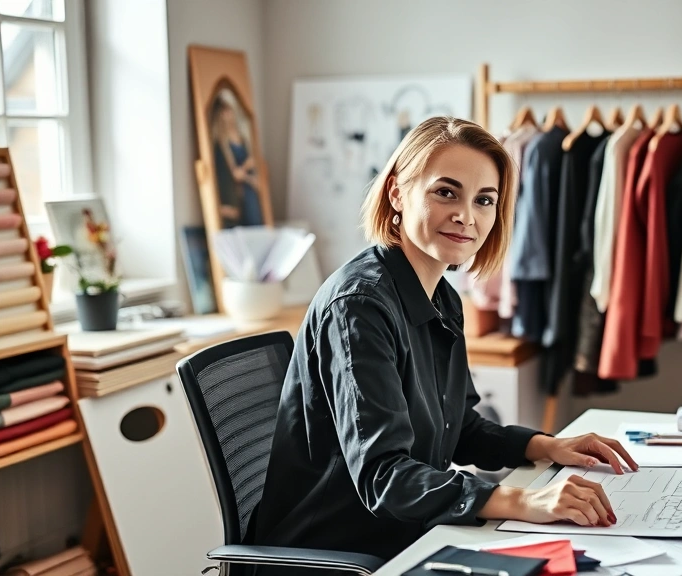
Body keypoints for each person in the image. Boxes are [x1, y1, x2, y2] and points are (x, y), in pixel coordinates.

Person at [252, 117, 637, 573]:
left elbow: (458, 428)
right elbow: (385, 476)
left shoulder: (441, 296)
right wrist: (524, 499)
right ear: (397, 193)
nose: (466, 216)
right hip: (340, 554)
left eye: (484, 200)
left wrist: (546, 446)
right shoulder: (358, 306)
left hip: (410, 532)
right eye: (446, 192)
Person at [210, 94, 265, 227]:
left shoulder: (243, 139)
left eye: (229, 110)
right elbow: (233, 174)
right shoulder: (222, 145)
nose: (228, 115)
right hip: (237, 192)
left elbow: (253, 163)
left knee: (256, 221)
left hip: (250, 187)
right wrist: (246, 168)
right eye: (224, 112)